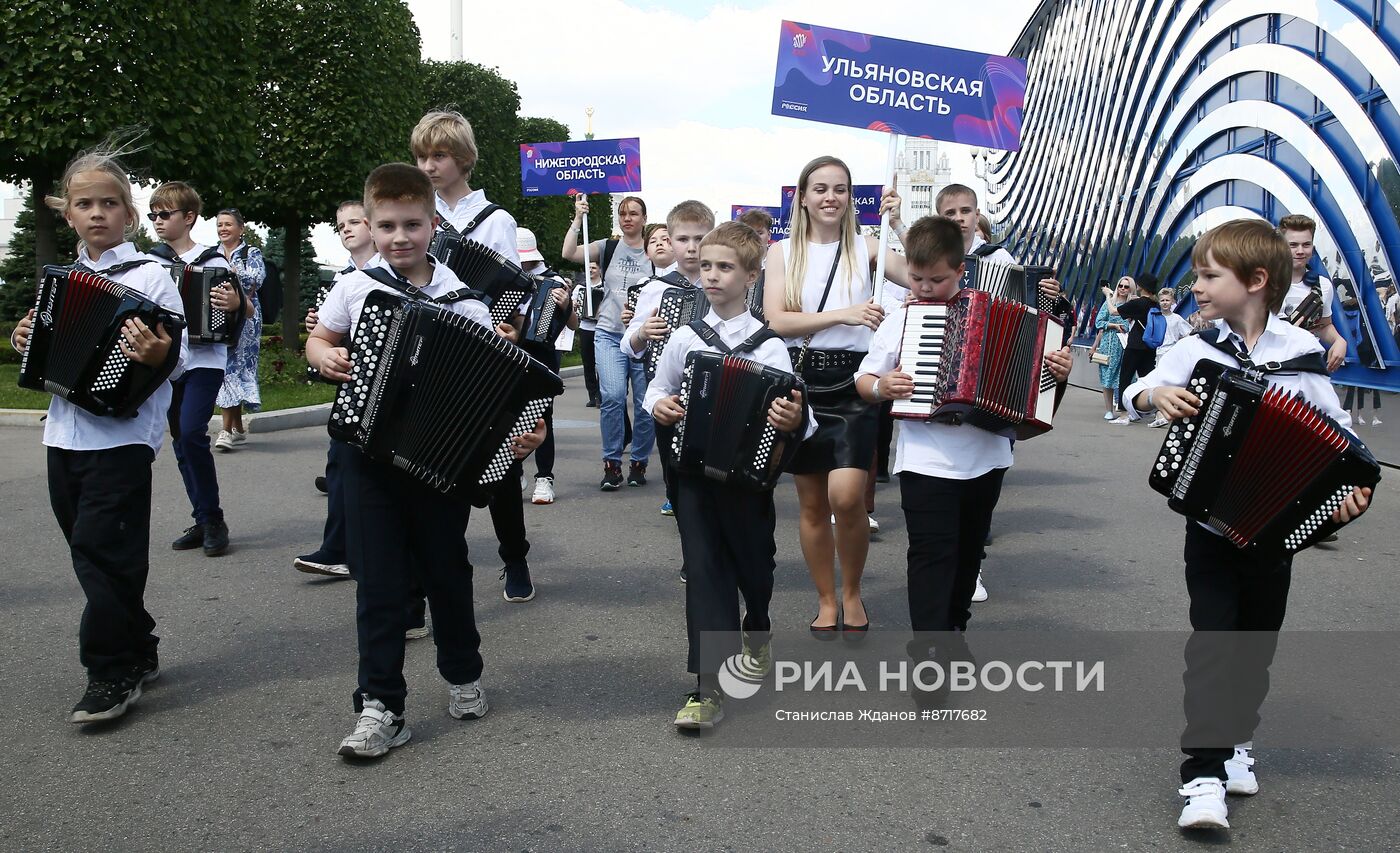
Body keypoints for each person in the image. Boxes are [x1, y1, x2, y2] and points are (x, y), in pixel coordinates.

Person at [1122, 218, 1371, 832]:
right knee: (1213, 641)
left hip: (1273, 536)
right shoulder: (1193, 348)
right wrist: (1155, 399)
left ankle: (1238, 740)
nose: (1197, 286)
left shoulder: (1302, 357)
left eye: (1210, 275)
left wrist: (1351, 492)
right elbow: (1137, 390)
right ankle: (1201, 776)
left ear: (1257, 281)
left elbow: (1344, 442)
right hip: (1208, 526)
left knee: (1255, 645)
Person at [307, 163, 544, 759]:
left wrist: (522, 433)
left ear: (433, 223)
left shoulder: (464, 302)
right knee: (379, 585)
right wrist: (323, 357)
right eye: (386, 226)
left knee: (446, 572)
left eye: (412, 224)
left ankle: (463, 672)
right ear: (370, 225)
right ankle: (379, 705)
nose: (399, 237)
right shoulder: (357, 286)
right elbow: (320, 339)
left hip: (437, 469)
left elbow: (495, 390)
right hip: (365, 458)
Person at [855, 216, 1070, 694]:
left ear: (961, 270)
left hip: (987, 454)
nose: (926, 289)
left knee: (970, 551)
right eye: (917, 279)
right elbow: (865, 381)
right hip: (924, 457)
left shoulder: (1005, 311)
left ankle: (954, 630)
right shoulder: (901, 321)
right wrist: (882, 386)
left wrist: (1057, 367)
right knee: (931, 553)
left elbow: (1039, 387)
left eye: (938, 279)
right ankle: (928, 652)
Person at [11, 144, 188, 724]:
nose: (97, 214)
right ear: (69, 216)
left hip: (122, 438)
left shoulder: (154, 277)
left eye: (109, 204)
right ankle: (138, 643)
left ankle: (110, 672)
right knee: (89, 550)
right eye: (85, 204)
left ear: (129, 214)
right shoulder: (65, 279)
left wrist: (158, 352)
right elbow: (45, 353)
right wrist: (26, 338)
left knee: (101, 552)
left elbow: (174, 355)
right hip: (63, 437)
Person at [644, 221, 812, 728]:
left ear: (752, 276)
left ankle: (756, 623)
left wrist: (792, 419)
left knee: (754, 567)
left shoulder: (769, 345)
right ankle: (706, 688)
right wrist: (663, 407)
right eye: (707, 266)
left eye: (725, 267)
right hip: (692, 475)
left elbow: (803, 417)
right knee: (704, 570)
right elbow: (655, 389)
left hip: (746, 480)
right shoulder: (684, 338)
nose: (712, 275)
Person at [762, 155, 911, 635]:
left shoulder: (869, 246)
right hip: (802, 383)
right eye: (821, 188)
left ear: (850, 198)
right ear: (802, 197)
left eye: (840, 189)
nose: (830, 197)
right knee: (810, 504)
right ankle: (827, 598)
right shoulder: (782, 252)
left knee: (846, 498)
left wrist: (898, 224)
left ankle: (853, 591)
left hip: (853, 384)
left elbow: (921, 274)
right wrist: (844, 314)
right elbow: (777, 322)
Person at [411, 109, 537, 604]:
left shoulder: (495, 219)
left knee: (499, 464)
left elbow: (512, 287)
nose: (428, 165)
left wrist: (507, 322)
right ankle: (430, 577)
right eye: (421, 155)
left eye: (439, 155)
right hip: (429, 355)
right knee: (433, 470)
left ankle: (515, 556)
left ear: (463, 159)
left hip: (483, 350)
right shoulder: (417, 216)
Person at [932, 183, 1066, 603]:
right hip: (942, 369)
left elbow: (1033, 319)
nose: (958, 219)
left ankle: (972, 563)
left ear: (977, 215)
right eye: (950, 212)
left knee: (984, 481)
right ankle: (943, 566)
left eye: (965, 211)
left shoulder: (1002, 261)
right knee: (940, 479)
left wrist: (1050, 297)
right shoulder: (931, 257)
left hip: (993, 374)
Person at [148, 182, 241, 557]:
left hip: (205, 360)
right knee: (181, 440)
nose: (156, 221)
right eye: (153, 214)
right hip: (170, 362)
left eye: (164, 214)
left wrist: (234, 304)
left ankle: (214, 519)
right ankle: (204, 518)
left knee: (191, 432)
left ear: (188, 218)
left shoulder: (214, 261)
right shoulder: (151, 263)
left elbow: (242, 313)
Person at [294, 200, 375, 579]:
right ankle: (337, 548)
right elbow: (324, 338)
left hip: (381, 386)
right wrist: (322, 338)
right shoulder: (342, 279)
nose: (346, 229)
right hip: (353, 384)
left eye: (354, 221)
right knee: (340, 459)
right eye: (340, 224)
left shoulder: (388, 272)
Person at [625, 200, 714, 529]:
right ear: (671, 241)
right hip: (668, 398)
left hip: (713, 397)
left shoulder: (724, 284)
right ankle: (686, 527)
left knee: (709, 477)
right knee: (674, 472)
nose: (692, 248)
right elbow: (628, 344)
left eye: (700, 238)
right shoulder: (655, 289)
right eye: (683, 239)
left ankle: (704, 548)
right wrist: (642, 334)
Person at [562, 195, 653, 489]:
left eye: (634, 214)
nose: (627, 218)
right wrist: (578, 218)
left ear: (644, 218)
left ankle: (639, 460)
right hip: (609, 334)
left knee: (643, 403)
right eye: (623, 214)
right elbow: (568, 253)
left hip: (643, 338)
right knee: (612, 397)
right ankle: (612, 463)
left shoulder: (653, 251)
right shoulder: (607, 246)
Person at [516, 226, 575, 506]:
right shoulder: (502, 279)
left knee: (542, 415)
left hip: (540, 357)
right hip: (508, 355)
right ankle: (514, 470)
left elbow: (563, 329)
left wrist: (566, 307)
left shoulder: (553, 282)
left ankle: (544, 477)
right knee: (507, 416)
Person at [213, 208, 265, 450]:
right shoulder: (212, 254)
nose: (223, 228)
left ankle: (226, 431)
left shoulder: (250, 252)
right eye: (220, 224)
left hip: (247, 316)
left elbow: (258, 278)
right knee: (227, 367)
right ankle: (235, 428)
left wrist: (236, 273)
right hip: (220, 315)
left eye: (228, 224)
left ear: (240, 229)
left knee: (236, 367)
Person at [1278, 214, 1347, 371]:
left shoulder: (1322, 286)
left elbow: (1322, 325)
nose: (1300, 251)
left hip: (1306, 367)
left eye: (1306, 245)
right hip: (1268, 366)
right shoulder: (1262, 283)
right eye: (1293, 245)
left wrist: (1339, 341)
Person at [1110, 272, 1161, 424]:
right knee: (1148, 379)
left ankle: (1125, 414)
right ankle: (1158, 412)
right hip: (1150, 347)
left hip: (1135, 345)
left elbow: (1114, 311)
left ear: (1142, 287)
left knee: (1125, 377)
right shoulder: (1154, 304)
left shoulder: (1138, 303)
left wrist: (1108, 295)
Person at [1146, 287, 1193, 428]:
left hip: (1171, 352)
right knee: (1161, 383)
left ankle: (1162, 414)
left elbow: (1188, 333)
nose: (1165, 303)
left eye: (1167, 300)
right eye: (1162, 300)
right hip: (1159, 352)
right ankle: (1162, 413)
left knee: (1166, 383)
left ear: (1172, 301)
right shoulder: (1155, 316)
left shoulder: (1176, 319)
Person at [1093, 277, 1133, 420]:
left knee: (1125, 376)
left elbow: (1127, 326)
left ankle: (1125, 408)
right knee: (1107, 377)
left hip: (1124, 344)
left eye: (1126, 287)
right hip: (1108, 343)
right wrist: (1113, 326)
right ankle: (1108, 409)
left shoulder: (1131, 304)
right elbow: (1099, 322)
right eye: (1120, 285)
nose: (1122, 288)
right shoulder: (1109, 303)